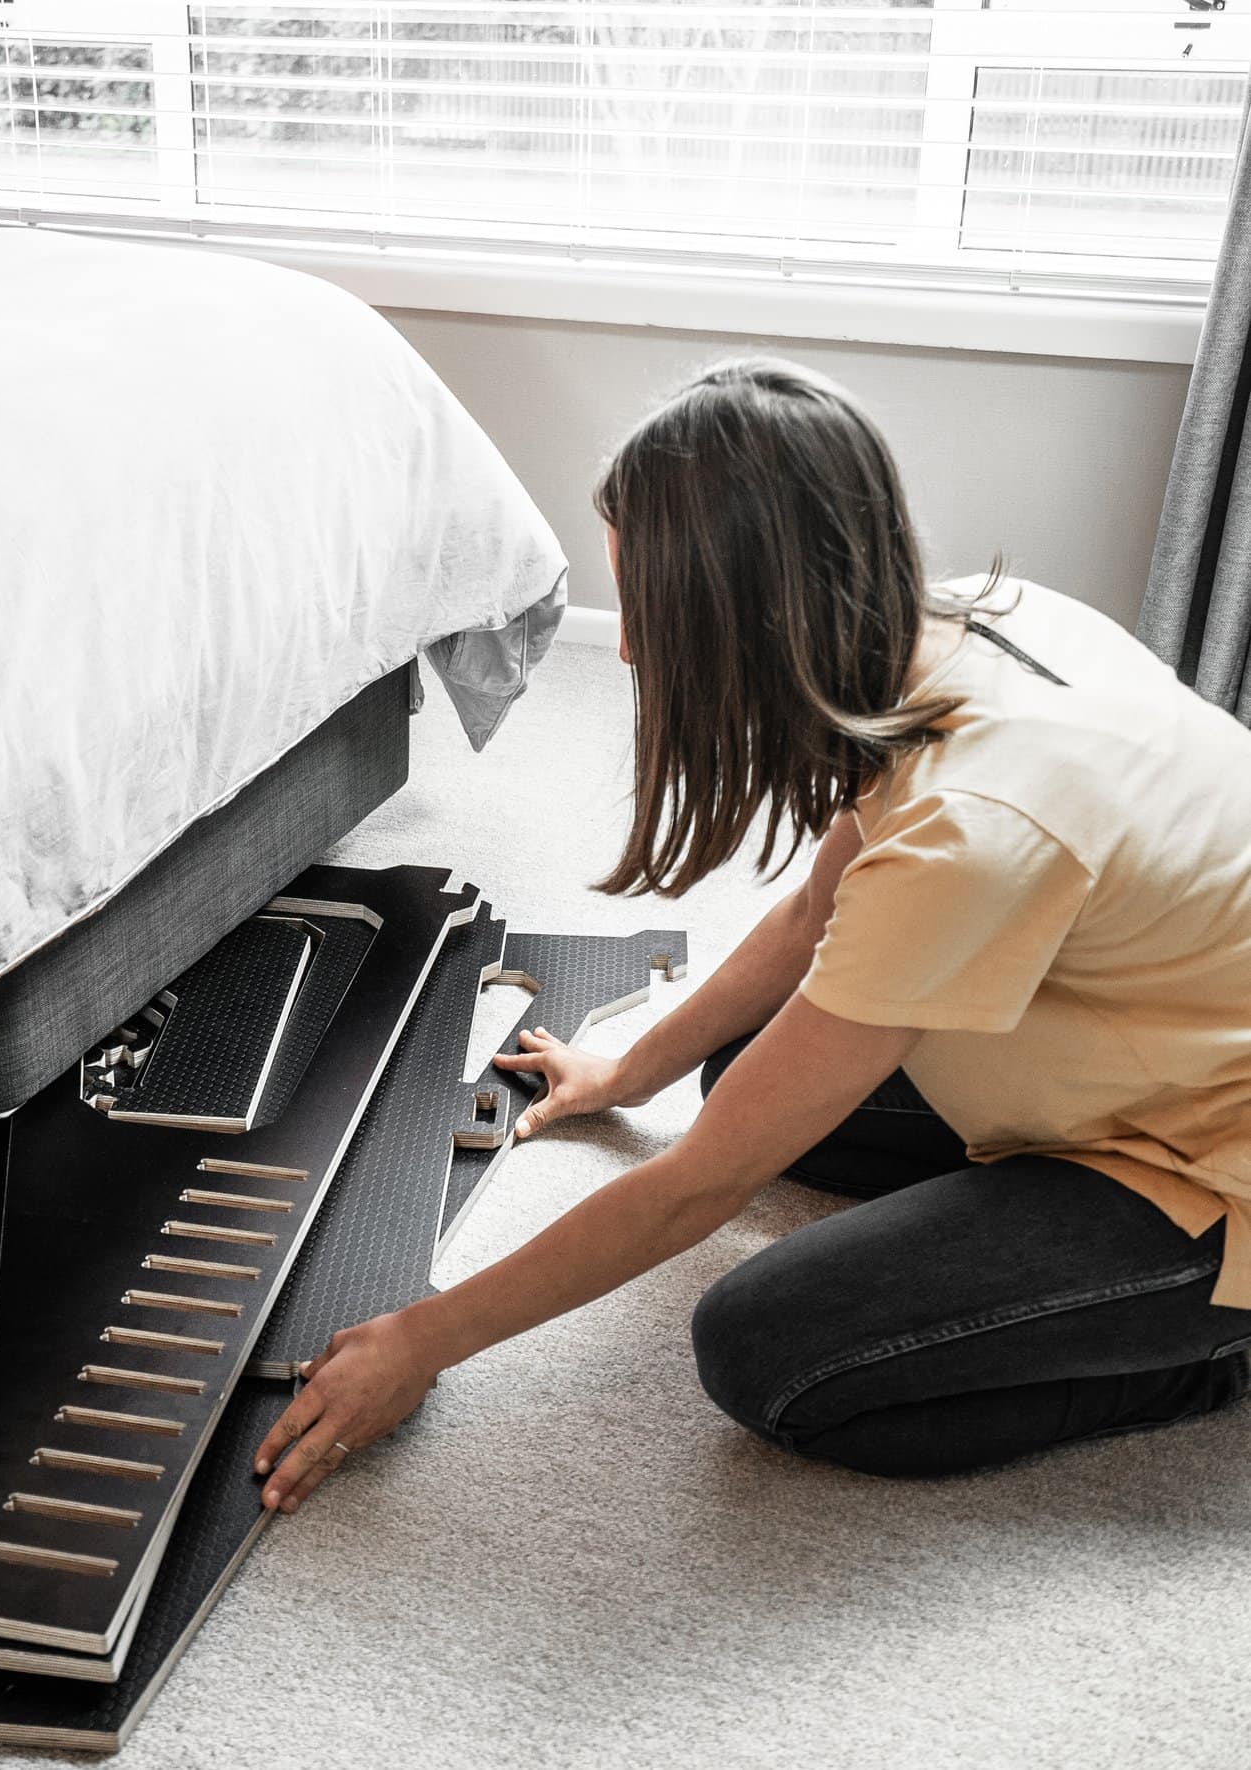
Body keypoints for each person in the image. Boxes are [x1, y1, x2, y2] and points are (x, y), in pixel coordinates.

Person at [253, 357, 1251, 1512]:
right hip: (1157, 1034)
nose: (625, 651)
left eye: (650, 614)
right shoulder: (975, 621)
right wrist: (630, 1069)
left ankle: (1203, 1361)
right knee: (743, 1069)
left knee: (773, 1354)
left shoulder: (973, 830)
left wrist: (423, 1338)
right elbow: (818, 909)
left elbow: (702, 1187)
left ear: (754, 620)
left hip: (1209, 1169)